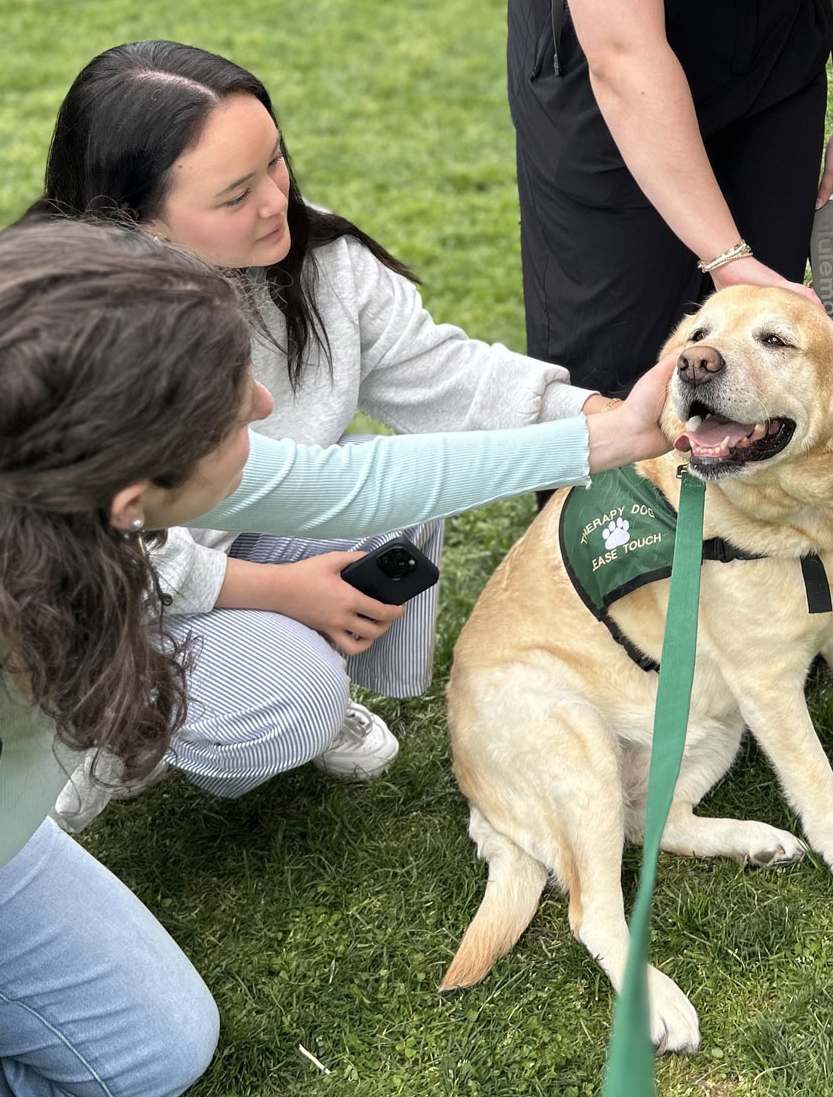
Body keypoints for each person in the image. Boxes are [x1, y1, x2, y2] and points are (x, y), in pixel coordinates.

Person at [0, 217, 671, 1095]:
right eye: (227, 402)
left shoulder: (57, 493)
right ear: (131, 501)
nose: (260, 402)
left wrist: (613, 437)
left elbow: (352, 486)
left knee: (159, 1050)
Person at [35, 41, 626, 819]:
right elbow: (85, 557)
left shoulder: (311, 257)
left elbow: (445, 384)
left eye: (275, 164)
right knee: (291, 701)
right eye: (234, 194)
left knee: (389, 480)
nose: (277, 202)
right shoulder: (70, 336)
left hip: (226, 530)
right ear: (135, 221)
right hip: (99, 599)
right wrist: (280, 593)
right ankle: (117, 717)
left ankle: (253, 672)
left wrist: (621, 424)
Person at [507, 0, 833, 399]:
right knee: (617, 380)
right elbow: (623, 56)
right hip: (611, 48)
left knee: (761, 358)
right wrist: (726, 257)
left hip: (776, 35)